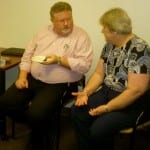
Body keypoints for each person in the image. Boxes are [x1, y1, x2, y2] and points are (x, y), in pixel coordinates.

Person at [0, 1, 93, 150]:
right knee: (5, 102)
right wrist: (22, 76)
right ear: (52, 21)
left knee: (36, 114)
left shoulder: (81, 36)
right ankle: (38, 124)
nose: (67, 23)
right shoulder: (42, 32)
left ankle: (38, 138)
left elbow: (85, 65)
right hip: (33, 79)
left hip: (61, 84)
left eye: (69, 19)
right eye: (61, 21)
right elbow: (27, 55)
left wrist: (59, 60)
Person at [71, 7, 150, 150]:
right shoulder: (109, 45)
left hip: (131, 102)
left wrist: (107, 108)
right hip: (107, 92)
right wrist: (86, 92)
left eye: (105, 28)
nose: (102, 31)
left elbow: (136, 91)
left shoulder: (140, 49)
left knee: (99, 129)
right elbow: (99, 74)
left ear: (115, 31)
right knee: (77, 112)